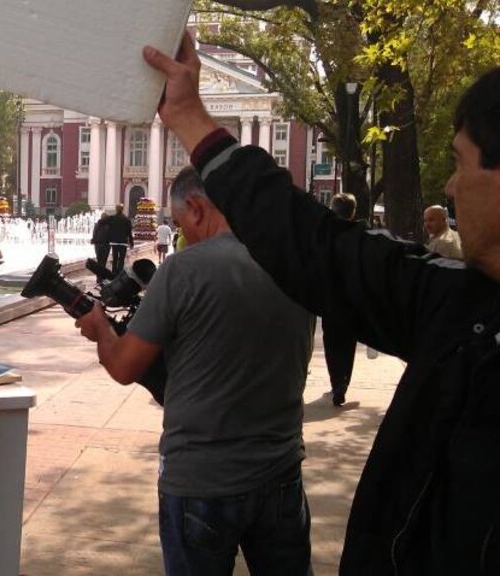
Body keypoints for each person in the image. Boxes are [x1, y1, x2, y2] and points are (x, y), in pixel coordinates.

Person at [143, 33, 500, 574]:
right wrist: (189, 117)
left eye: (461, 163)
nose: (450, 186)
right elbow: (317, 248)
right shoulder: (462, 305)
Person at [75, 167, 314, 575]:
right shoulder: (295, 264)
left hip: (201, 481)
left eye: (180, 221)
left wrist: (100, 329)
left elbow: (123, 365)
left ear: (198, 208)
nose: (181, 232)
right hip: (280, 472)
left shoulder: (183, 270)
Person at [323, 192, 359, 407]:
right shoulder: (360, 236)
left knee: (331, 343)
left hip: (329, 299)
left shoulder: (325, 236)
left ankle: (336, 380)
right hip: (352, 299)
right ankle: (343, 381)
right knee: (348, 343)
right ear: (353, 212)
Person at [106, 203, 134, 274]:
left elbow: (108, 230)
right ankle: (119, 273)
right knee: (121, 259)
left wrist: (108, 239)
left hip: (114, 242)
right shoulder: (127, 220)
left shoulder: (112, 218)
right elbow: (129, 233)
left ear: (116, 209)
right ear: (122, 209)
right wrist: (131, 243)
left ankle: (113, 273)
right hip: (123, 242)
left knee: (115, 258)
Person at [90, 212, 111, 281]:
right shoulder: (109, 225)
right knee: (103, 261)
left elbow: (94, 234)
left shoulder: (97, 224)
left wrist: (93, 240)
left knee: (99, 261)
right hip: (106, 245)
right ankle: (101, 277)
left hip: (97, 245)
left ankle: (98, 277)